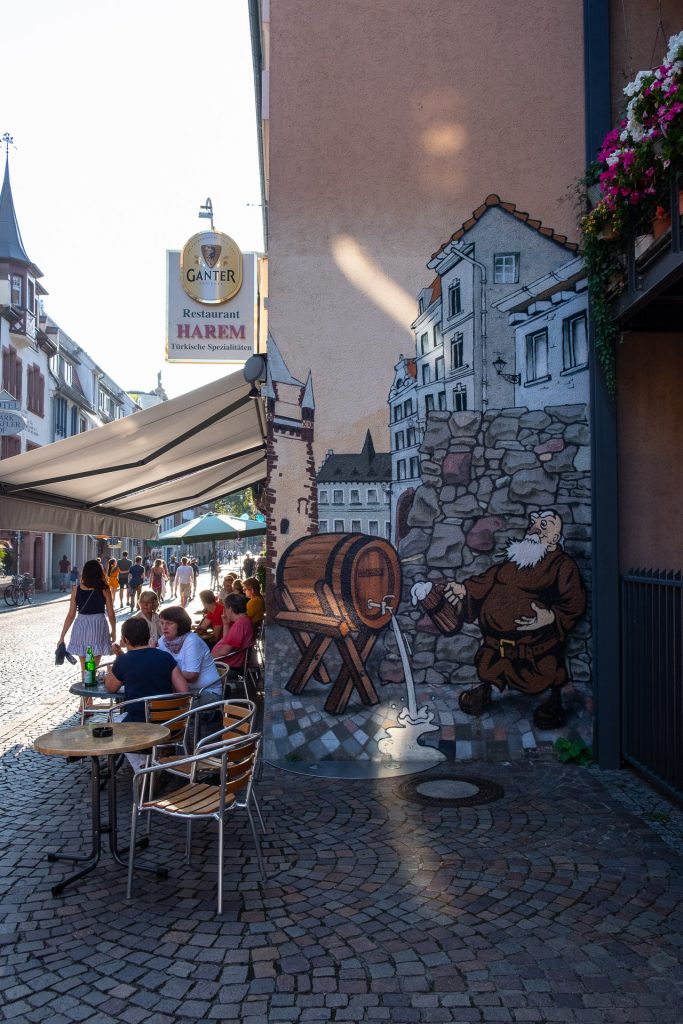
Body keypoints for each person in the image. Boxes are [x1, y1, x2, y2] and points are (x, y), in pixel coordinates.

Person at [411, 509, 586, 729]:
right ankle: (487, 689)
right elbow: (485, 580)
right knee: (490, 667)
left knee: (546, 672)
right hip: (496, 645)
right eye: (535, 521)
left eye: (546, 524)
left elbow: (574, 601)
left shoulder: (562, 566)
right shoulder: (516, 560)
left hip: (535, 648)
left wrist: (550, 616)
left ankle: (554, 700)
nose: (536, 525)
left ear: (554, 539)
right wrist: (463, 589)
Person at [105, 617, 188, 770]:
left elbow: (110, 688)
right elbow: (184, 691)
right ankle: (156, 761)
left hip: (140, 725)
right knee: (123, 721)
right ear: (148, 635)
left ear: (126, 639)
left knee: (115, 728)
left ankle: (143, 768)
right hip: (172, 723)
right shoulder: (165, 657)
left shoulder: (123, 661)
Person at [57, 559, 116, 678]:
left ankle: (86, 694)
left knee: (84, 665)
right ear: (99, 572)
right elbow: (111, 614)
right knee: (93, 663)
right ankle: (88, 692)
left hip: (82, 624)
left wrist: (62, 636)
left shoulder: (76, 589)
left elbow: (71, 615)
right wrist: (114, 630)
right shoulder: (105, 589)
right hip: (98, 625)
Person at [157, 605, 221, 704]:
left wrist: (168, 672)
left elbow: (191, 676)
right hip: (183, 691)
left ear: (180, 625)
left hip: (207, 691)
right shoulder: (163, 641)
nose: (164, 627)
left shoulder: (191, 640)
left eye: (169, 623)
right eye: (161, 623)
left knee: (168, 706)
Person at [212, 593, 254, 685]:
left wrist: (208, 657)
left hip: (228, 667)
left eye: (225, 608)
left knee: (195, 670)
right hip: (229, 663)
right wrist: (226, 624)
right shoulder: (244, 620)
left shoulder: (240, 624)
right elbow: (226, 641)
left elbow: (225, 651)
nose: (225, 611)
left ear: (230, 609)